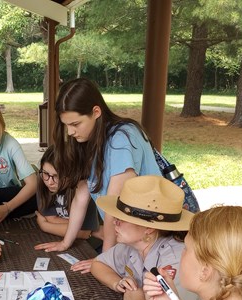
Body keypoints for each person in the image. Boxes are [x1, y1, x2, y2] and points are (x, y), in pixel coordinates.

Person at [35, 78, 162, 269]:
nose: (70, 132)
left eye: (76, 124)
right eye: (66, 125)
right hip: (131, 237)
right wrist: (65, 242)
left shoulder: (121, 139)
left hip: (151, 240)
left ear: (96, 112)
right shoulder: (90, 139)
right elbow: (81, 194)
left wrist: (105, 260)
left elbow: (114, 208)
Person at [91, 175, 198, 300]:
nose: (114, 222)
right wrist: (117, 283)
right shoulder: (133, 245)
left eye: (122, 219)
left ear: (148, 228)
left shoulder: (177, 260)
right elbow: (98, 265)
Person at [35, 145, 101, 241]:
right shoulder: (42, 181)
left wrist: (45, 226)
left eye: (56, 176)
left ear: (72, 174)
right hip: (70, 238)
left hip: (94, 242)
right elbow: (51, 218)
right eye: (46, 173)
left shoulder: (84, 188)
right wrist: (79, 226)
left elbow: (84, 232)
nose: (49, 182)